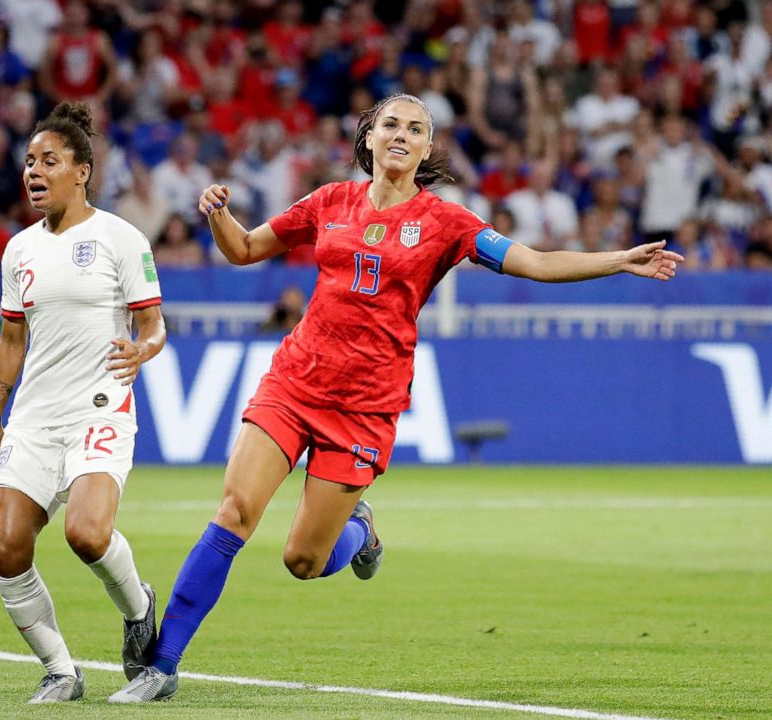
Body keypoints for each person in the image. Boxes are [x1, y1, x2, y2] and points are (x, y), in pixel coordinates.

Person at [108, 93, 684, 703]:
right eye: (391, 125)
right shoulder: (329, 201)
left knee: (304, 560)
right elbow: (246, 249)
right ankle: (162, 666)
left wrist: (618, 260)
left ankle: (361, 533)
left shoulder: (447, 222)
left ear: (427, 148)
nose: (402, 134)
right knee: (233, 512)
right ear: (370, 137)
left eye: (416, 128)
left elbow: (535, 262)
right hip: (295, 381)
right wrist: (218, 215)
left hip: (365, 405)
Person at [0, 101, 166, 704]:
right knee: (6, 544)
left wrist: (143, 351)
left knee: (86, 533)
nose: (33, 171)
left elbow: (155, 326)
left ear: (81, 170)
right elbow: (11, 340)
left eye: (48, 161)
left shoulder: (119, 238)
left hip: (99, 409)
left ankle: (138, 609)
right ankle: (60, 670)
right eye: (29, 162)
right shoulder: (19, 250)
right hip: (33, 418)